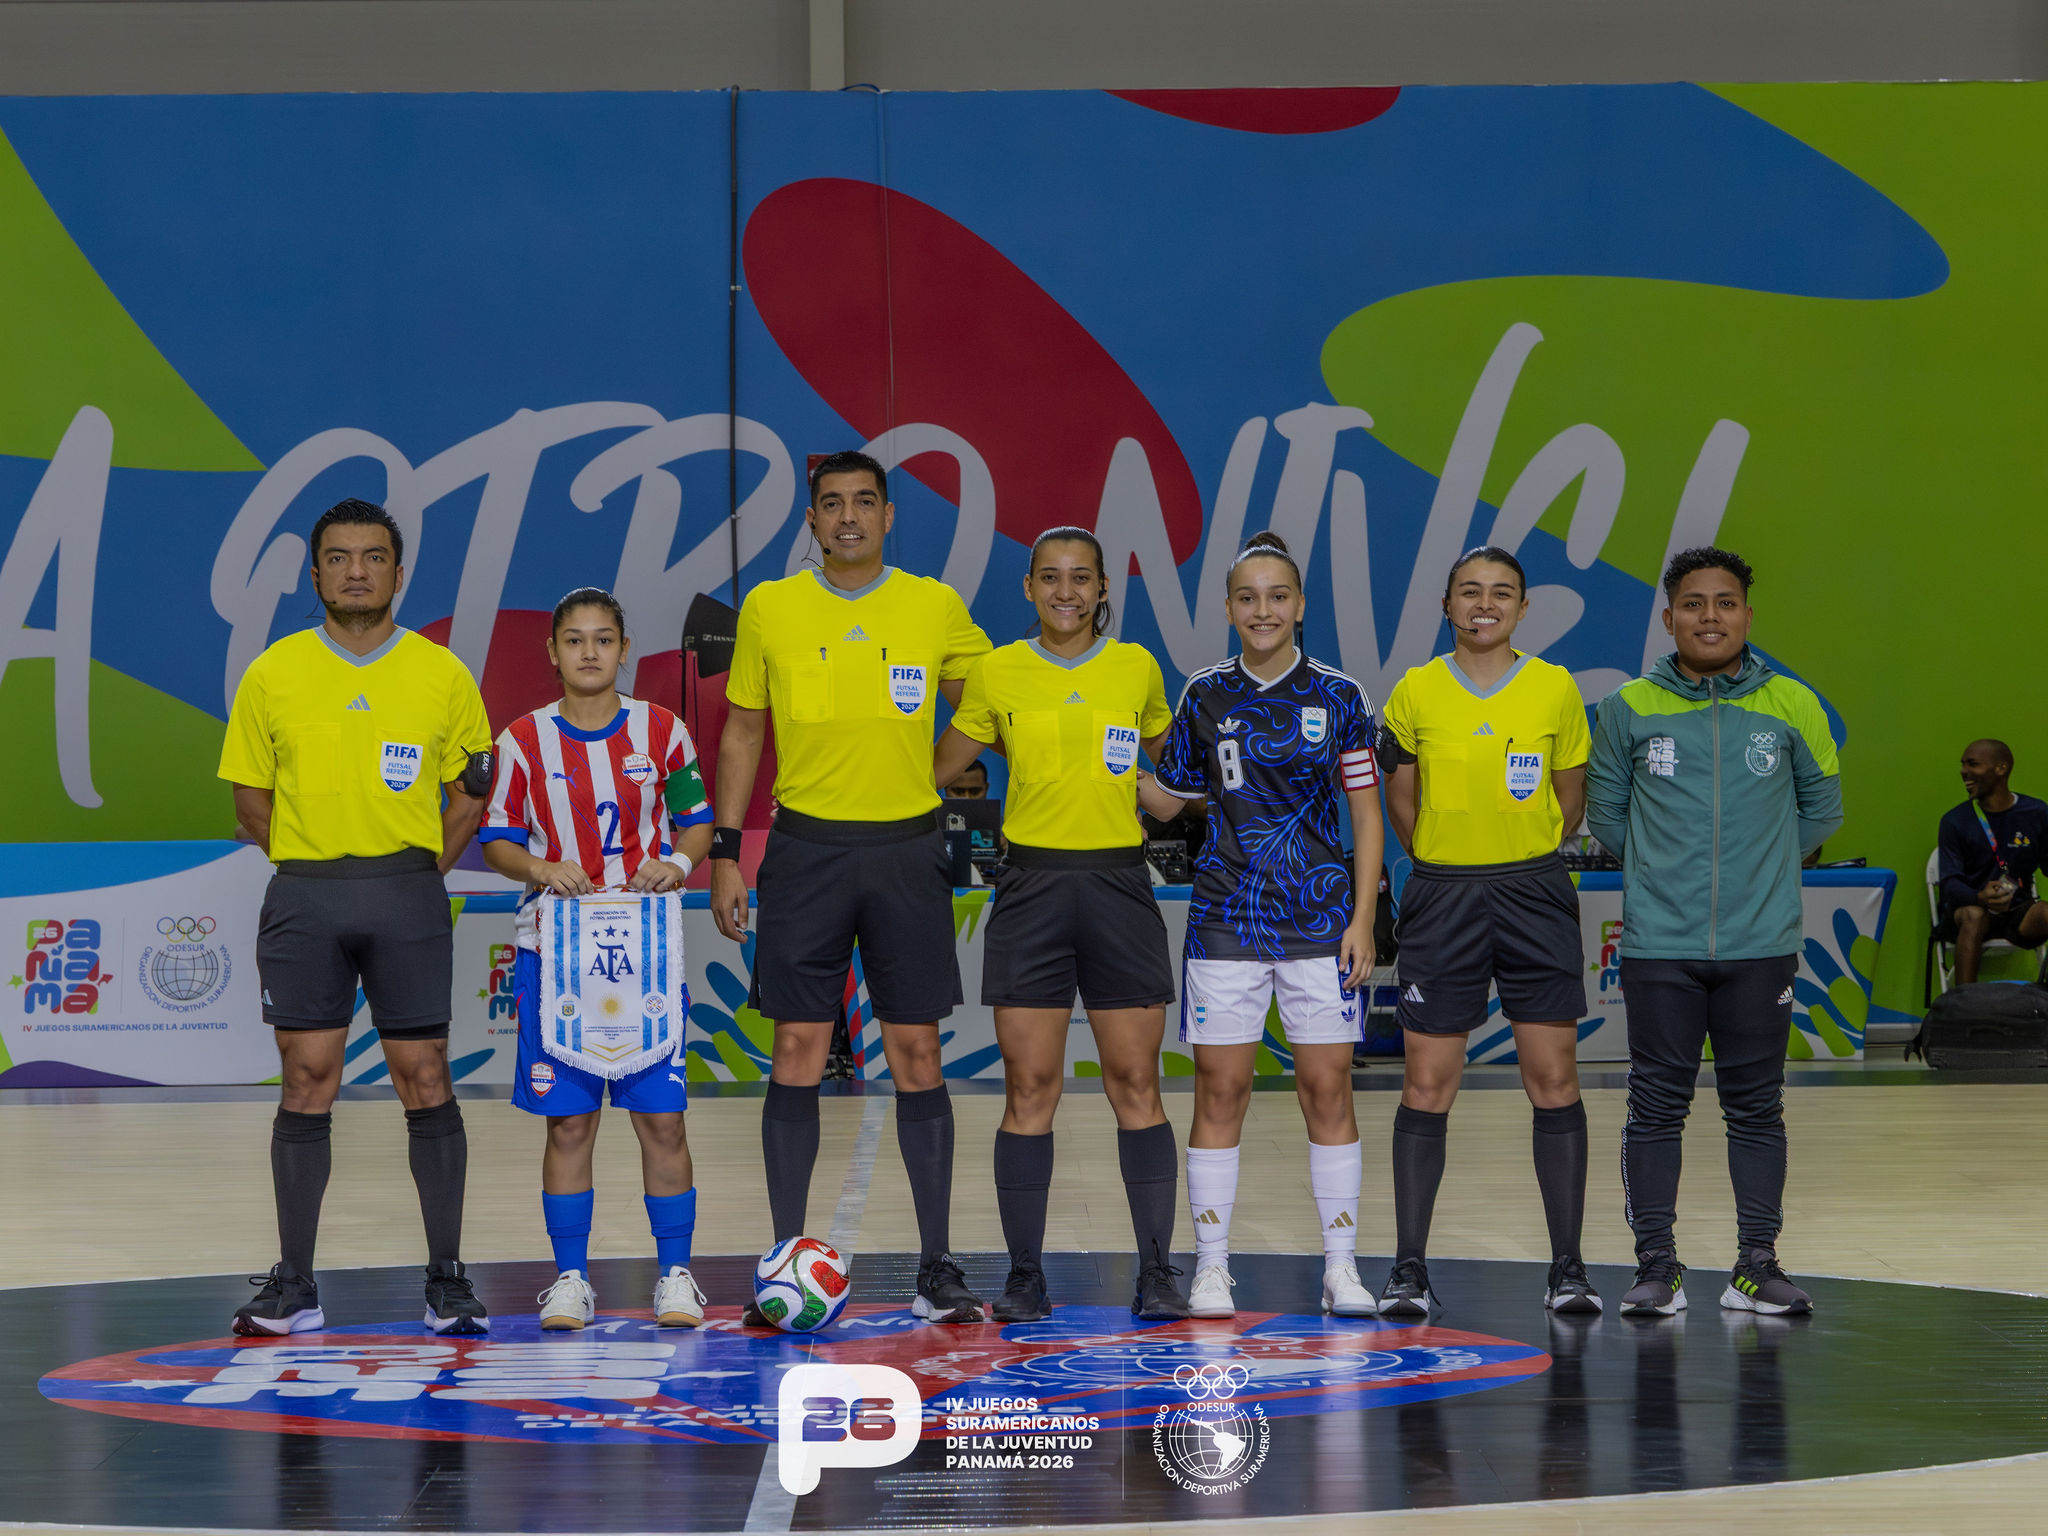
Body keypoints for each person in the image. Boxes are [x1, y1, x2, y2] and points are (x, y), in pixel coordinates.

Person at [709, 450, 992, 1323]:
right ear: (811, 518)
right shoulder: (770, 606)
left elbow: (991, 699)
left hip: (908, 854)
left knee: (916, 1055)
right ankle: (783, 1264)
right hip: (804, 853)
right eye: (830, 505)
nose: (847, 518)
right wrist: (726, 853)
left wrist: (938, 770)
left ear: (889, 515)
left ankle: (936, 1267)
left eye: (864, 503)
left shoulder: (933, 605)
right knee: (797, 1048)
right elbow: (743, 734)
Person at [217, 497, 494, 1336]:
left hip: (407, 895)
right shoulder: (274, 671)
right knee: (307, 1080)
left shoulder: (442, 673)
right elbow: (250, 804)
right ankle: (294, 1285)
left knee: (427, 1076)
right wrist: (319, 865)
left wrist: (410, 875)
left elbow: (470, 796)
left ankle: (447, 1281)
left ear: (399, 573)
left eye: (373, 557)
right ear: (316, 574)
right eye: (338, 557)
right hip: (305, 896)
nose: (357, 570)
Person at [935, 526, 1188, 1322]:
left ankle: (1156, 1273)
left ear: (1104, 587)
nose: (1066, 592)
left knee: (1136, 1085)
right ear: (1028, 588)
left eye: (1082, 578)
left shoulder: (1137, 668)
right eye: (1051, 578)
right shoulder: (997, 671)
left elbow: (1176, 776)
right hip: (1031, 889)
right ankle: (1024, 1278)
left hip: (1118, 887)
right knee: (1029, 1086)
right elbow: (937, 770)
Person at [1586, 546, 1843, 1317]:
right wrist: (1669, 878)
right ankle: (1656, 1268)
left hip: (1762, 944)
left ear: (1747, 616)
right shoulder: (1629, 707)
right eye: (1693, 603)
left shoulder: (1794, 704)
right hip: (1659, 944)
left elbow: (1822, 811)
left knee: (1756, 1108)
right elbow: (1606, 815)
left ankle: (1756, 1265)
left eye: (1724, 603)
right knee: (1657, 1106)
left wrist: (1757, 872)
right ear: (1668, 618)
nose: (1709, 616)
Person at [1136, 531, 1384, 1320]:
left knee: (1327, 1087)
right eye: (1249, 597)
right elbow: (1169, 797)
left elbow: (1367, 816)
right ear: (1230, 608)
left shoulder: (1340, 697)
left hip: (1321, 924)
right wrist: (1091, 756)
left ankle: (1341, 1268)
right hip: (1225, 921)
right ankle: (1213, 1269)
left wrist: (1363, 917)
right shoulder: (1203, 694)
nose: (1264, 609)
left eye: (1279, 596)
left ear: (1301, 605)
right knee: (1222, 1087)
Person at [480, 588, 714, 1330]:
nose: (589, 652)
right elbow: (497, 839)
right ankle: (572, 1278)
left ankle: (676, 1273)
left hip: (643, 956)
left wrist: (676, 861)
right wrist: (541, 870)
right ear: (552, 652)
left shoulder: (664, 732)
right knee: (569, 1125)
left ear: (622, 649)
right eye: (574, 639)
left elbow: (699, 822)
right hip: (557, 957)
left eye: (603, 639)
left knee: (664, 1121)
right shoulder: (520, 740)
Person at [1374, 545, 1597, 1318]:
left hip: (1534, 893)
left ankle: (1568, 1267)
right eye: (1469, 591)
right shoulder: (1414, 691)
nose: (1485, 603)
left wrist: (1511, 852)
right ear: (1447, 606)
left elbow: (1570, 803)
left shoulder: (1554, 689)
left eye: (1502, 592)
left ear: (1523, 609)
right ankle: (1408, 1270)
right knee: (1427, 1083)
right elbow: (1401, 804)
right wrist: (1446, 856)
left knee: (1554, 1079)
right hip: (1443, 897)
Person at [1936, 740, 2048, 984]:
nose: (1964, 771)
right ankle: (1964, 1008)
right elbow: (1949, 884)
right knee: (1974, 916)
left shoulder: (2036, 812)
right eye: (1963, 764)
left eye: (1973, 764)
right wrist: (1979, 897)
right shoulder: (1955, 821)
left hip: (2018, 911)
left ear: (2001, 768)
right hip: (1969, 911)